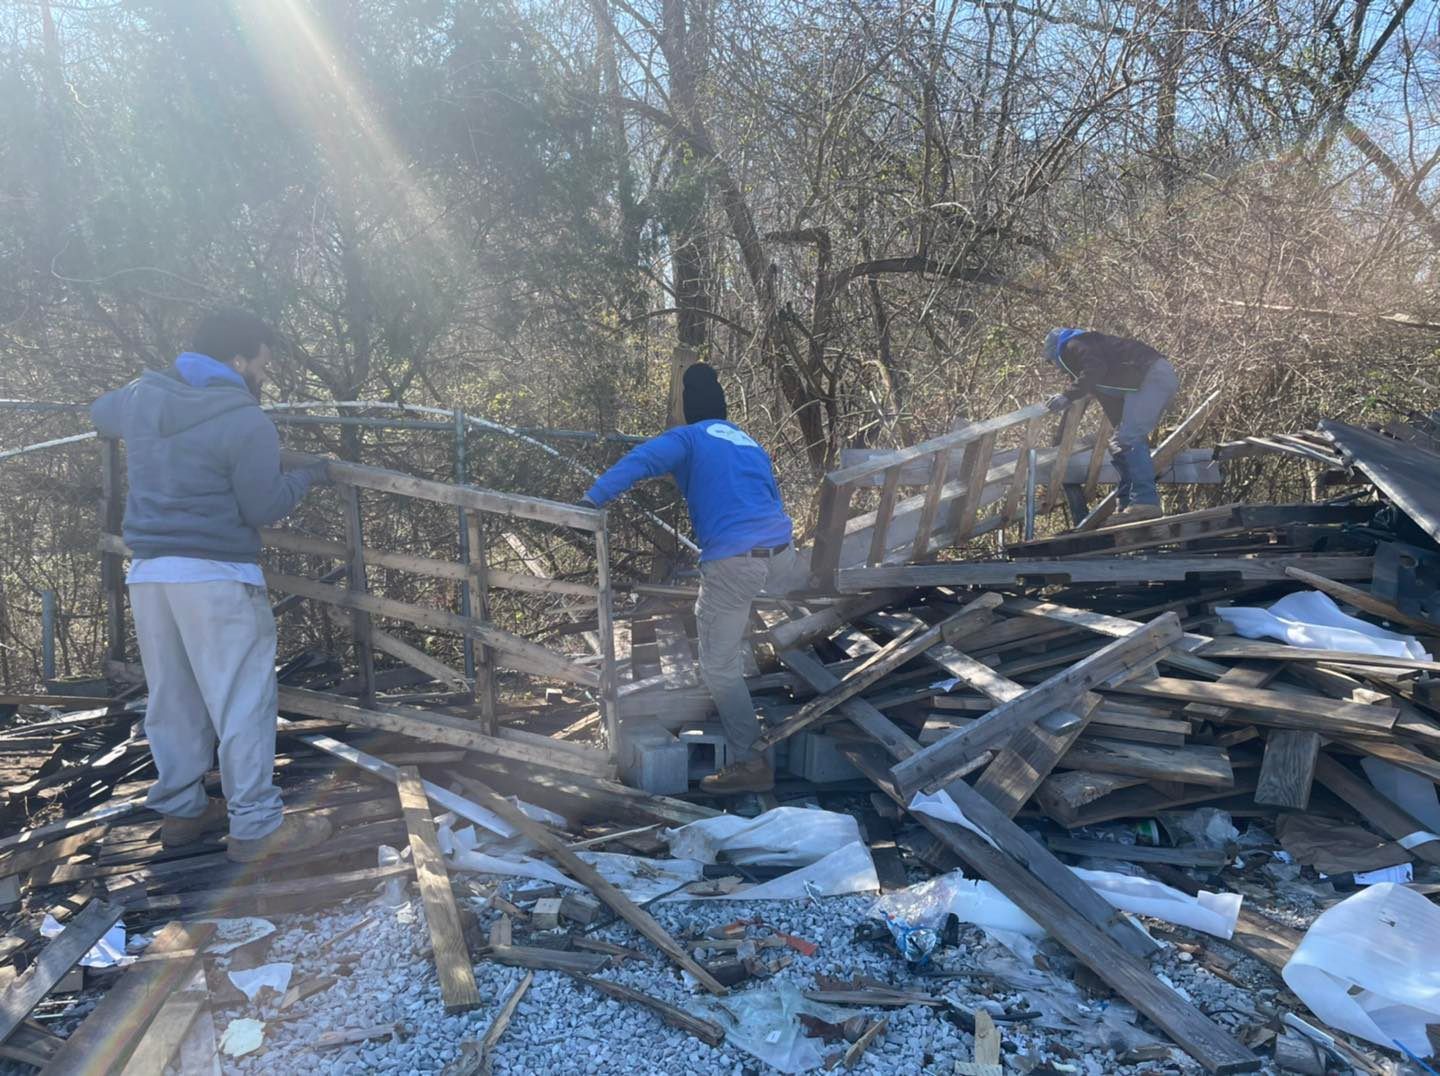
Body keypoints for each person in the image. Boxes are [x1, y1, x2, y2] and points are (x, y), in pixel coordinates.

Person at [91, 307, 333, 862]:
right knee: (242, 700)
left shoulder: (141, 398)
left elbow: (98, 412)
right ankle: (254, 827)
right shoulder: (247, 420)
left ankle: (183, 811)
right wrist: (309, 475)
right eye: (263, 364)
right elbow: (263, 505)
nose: (265, 376)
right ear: (238, 360)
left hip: (150, 572)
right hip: (218, 574)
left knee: (173, 697)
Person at [581, 364, 794, 794]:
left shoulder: (688, 438)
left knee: (718, 667)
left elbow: (640, 461)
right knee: (752, 622)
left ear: (687, 409)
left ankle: (750, 762)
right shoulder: (748, 441)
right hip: (783, 554)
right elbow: (770, 496)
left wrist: (592, 500)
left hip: (735, 561)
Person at [1043, 328, 1180, 523]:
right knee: (1119, 442)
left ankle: (1145, 502)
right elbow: (1104, 399)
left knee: (1128, 438)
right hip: (1148, 379)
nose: (1056, 368)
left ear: (1056, 351)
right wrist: (1057, 444)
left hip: (1152, 376)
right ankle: (1127, 504)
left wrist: (1067, 395)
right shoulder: (1105, 376)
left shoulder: (1076, 344)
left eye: (1052, 362)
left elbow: (1093, 371)